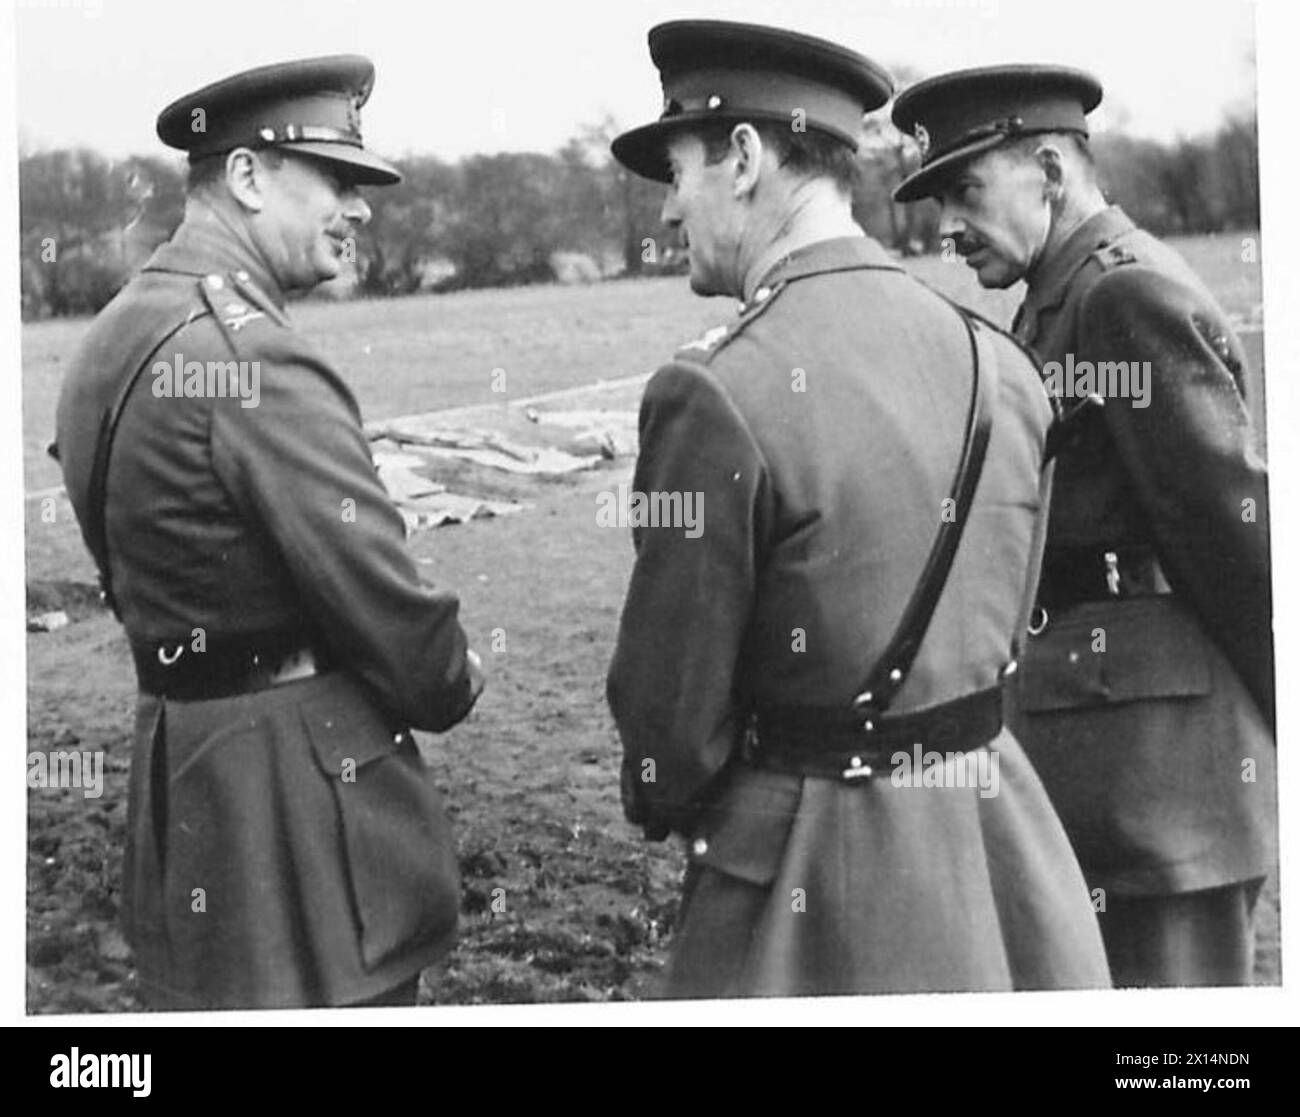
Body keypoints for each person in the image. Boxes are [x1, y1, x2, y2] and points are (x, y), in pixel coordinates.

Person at [605, 21, 1110, 998]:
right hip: (1000, 854)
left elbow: (668, 723)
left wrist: (670, 788)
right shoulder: (999, 362)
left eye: (675, 173)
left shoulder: (714, 390)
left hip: (815, 880)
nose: (669, 212)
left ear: (744, 157)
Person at [54, 55, 484, 1010]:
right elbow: (401, 626)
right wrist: (456, 672)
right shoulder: (251, 356)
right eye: (335, 178)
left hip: (184, 780)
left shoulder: (111, 333)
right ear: (247, 177)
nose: (360, 207)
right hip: (294, 814)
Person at [892, 66, 1276, 987]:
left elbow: (1234, 532)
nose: (945, 226)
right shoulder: (1060, 299)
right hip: (1104, 761)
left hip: (1157, 785)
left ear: (1052, 173)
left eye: (966, 190)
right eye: (940, 195)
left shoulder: (1123, 297)